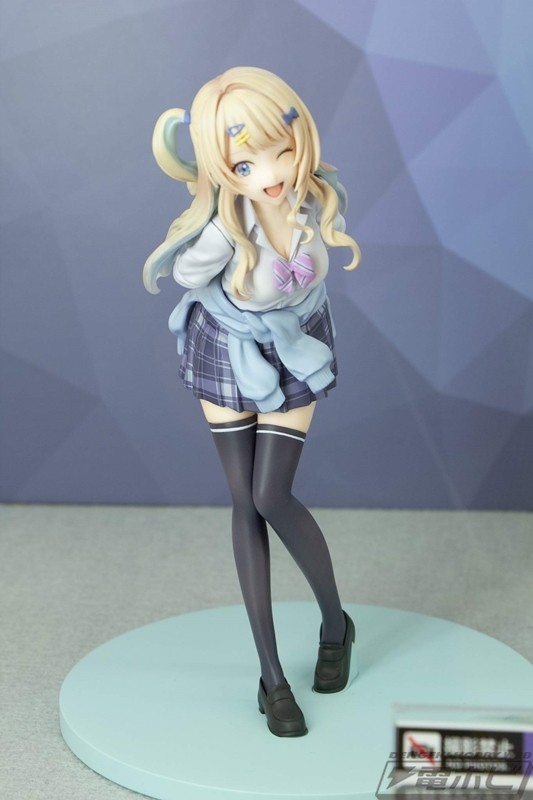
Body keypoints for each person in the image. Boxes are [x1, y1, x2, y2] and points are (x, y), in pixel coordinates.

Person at [144, 66, 361, 737]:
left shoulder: (316, 197)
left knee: (272, 495)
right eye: (244, 162)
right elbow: (186, 275)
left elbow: (313, 274)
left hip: (296, 343)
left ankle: (335, 624)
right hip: (227, 344)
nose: (268, 173)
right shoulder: (225, 223)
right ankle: (271, 678)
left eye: (280, 151)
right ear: (221, 166)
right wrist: (214, 229)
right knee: (244, 501)